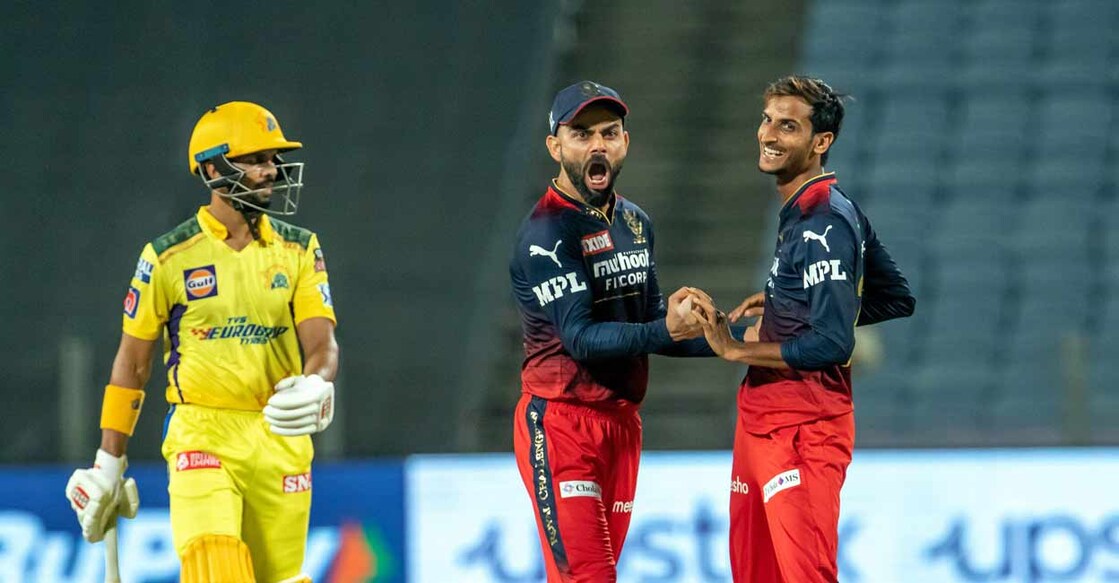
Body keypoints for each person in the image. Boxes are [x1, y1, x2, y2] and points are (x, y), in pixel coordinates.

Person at [64, 101, 339, 583]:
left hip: (280, 435)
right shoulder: (168, 257)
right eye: (255, 159)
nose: (271, 171)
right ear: (212, 169)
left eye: (273, 159)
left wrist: (316, 382)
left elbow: (322, 342)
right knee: (217, 567)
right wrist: (108, 461)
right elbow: (132, 364)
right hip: (201, 432)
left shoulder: (300, 248)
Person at [686, 76, 915, 582]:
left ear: (820, 142)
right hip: (761, 421)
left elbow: (833, 342)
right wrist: (790, 301)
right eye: (767, 119)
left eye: (788, 126)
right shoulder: (817, 210)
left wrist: (733, 349)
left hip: (803, 427)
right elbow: (895, 298)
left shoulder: (823, 221)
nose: (769, 134)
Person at [509, 80, 728, 581]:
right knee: (590, 576)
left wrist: (736, 338)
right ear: (555, 147)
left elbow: (652, 319)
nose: (597, 145)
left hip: (621, 425)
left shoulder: (634, 222)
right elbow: (582, 337)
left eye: (609, 132)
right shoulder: (547, 231)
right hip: (561, 422)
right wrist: (667, 330)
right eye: (582, 134)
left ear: (626, 142)